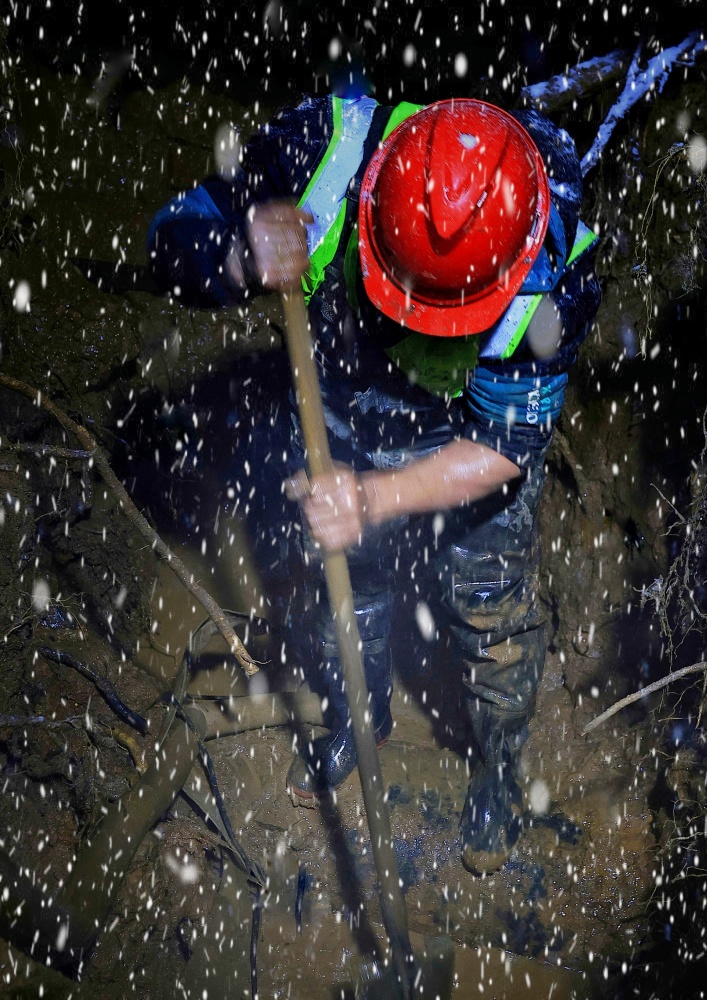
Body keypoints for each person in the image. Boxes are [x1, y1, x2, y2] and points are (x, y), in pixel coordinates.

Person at [148, 92, 601, 875]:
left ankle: (498, 768)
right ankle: (359, 718)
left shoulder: (551, 265)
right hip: (343, 416)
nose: (420, 329)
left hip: (465, 445)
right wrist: (236, 251)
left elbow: (506, 443)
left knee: (491, 616)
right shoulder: (323, 152)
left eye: (444, 314)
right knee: (339, 597)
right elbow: (165, 239)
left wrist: (375, 500)